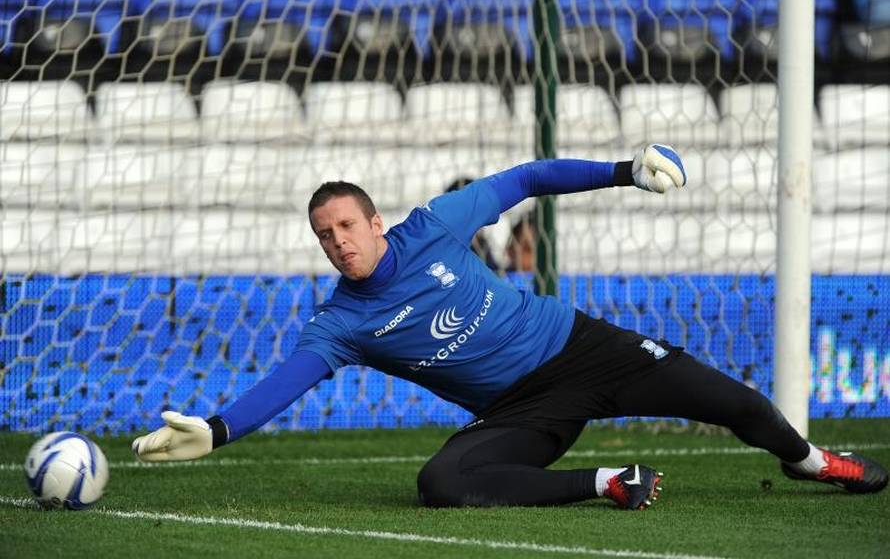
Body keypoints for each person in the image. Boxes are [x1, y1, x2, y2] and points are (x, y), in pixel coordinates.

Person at [132, 145, 888, 509]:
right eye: (323, 235)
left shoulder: (435, 225)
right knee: (440, 484)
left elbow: (526, 179)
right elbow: (284, 383)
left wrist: (624, 170)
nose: (337, 242)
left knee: (740, 406)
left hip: (586, 348)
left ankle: (812, 462)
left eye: (345, 226)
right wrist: (219, 429)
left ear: (376, 222)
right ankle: (607, 485)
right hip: (523, 409)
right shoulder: (340, 325)